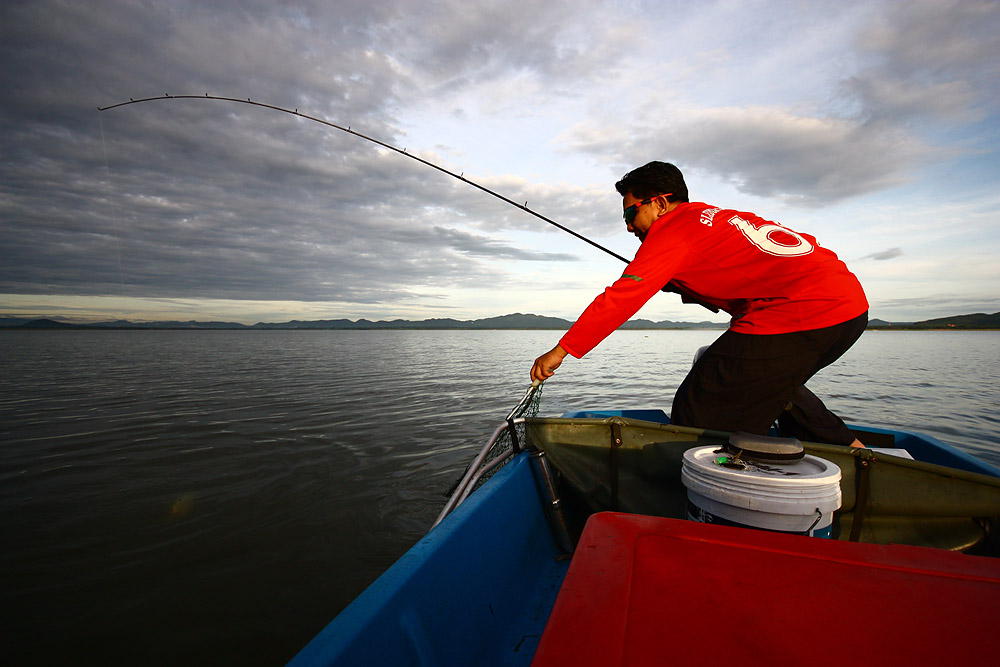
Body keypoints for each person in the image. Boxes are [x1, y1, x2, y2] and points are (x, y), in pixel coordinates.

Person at [530, 161, 868, 447]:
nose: (630, 225)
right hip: (848, 310)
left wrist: (560, 351)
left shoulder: (671, 231)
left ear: (660, 204)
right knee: (766, 380)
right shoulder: (712, 218)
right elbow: (743, 276)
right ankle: (853, 451)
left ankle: (717, 490)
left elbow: (622, 297)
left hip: (805, 312)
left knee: (699, 403)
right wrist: (685, 286)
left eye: (632, 212)